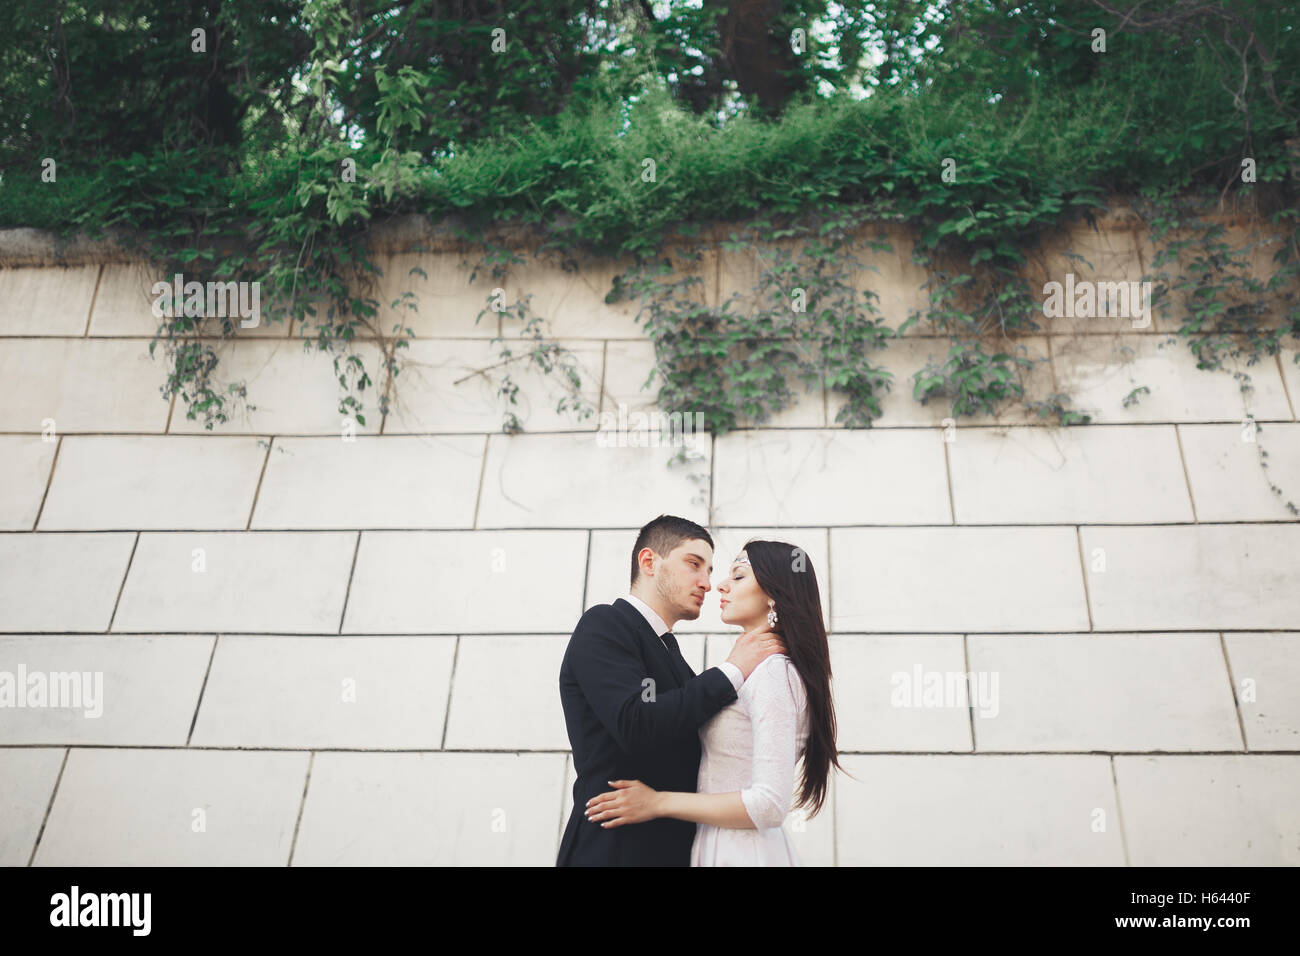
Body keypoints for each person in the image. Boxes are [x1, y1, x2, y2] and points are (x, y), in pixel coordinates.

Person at [583, 539, 843, 866]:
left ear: (774, 594)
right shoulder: (751, 670)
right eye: (698, 566)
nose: (717, 584)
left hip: (743, 852)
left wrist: (657, 802)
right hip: (714, 845)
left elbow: (769, 804)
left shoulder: (776, 672)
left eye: (738, 576)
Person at [556, 515, 786, 866]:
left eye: (710, 570)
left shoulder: (675, 659)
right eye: (694, 564)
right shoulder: (605, 624)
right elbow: (636, 722)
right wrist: (732, 670)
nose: (707, 583)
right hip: (613, 850)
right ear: (648, 562)